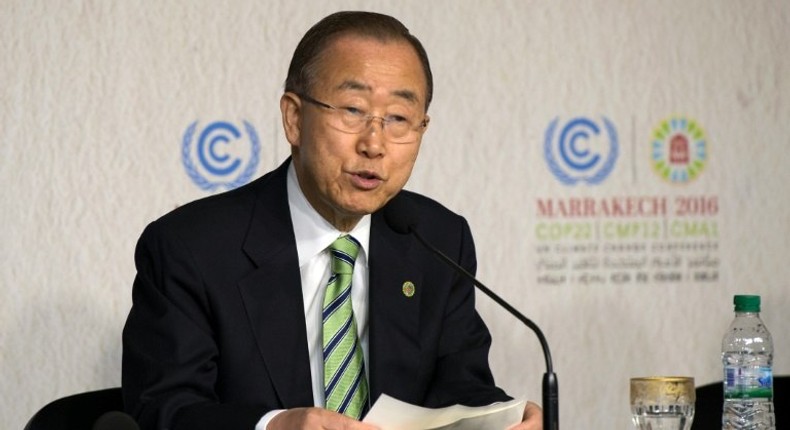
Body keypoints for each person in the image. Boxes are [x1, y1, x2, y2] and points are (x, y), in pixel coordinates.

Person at [122, 10, 543, 430]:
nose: (374, 144)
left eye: (398, 118)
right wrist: (275, 426)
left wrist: (502, 418)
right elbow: (166, 409)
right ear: (293, 118)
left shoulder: (437, 240)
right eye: (353, 109)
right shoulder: (191, 247)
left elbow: (458, 388)